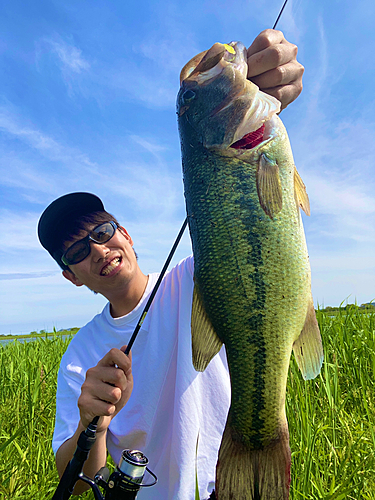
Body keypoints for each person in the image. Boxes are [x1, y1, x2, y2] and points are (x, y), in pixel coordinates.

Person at [38, 29, 304, 499]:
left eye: (102, 232)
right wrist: (90, 423)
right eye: (78, 251)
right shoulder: (81, 357)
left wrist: (260, 80)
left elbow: (253, 239)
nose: (98, 249)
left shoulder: (194, 278)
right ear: (70, 277)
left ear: (126, 235)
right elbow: (71, 479)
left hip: (227, 486)